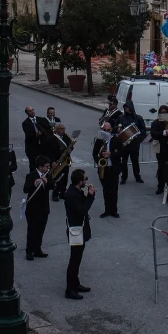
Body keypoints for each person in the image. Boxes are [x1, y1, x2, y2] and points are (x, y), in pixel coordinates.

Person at [63, 168, 96, 300]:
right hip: (76, 230)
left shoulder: (76, 191)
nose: (86, 181)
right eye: (85, 179)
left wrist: (88, 195)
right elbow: (82, 209)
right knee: (74, 260)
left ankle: (75, 284)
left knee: (77, 258)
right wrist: (90, 196)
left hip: (79, 228)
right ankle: (70, 289)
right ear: (79, 181)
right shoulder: (72, 194)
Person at [22, 156, 52, 260]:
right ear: (40, 167)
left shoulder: (48, 175)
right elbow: (25, 189)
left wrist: (46, 183)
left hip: (44, 208)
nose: (48, 168)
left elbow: (53, 186)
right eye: (46, 166)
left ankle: (37, 249)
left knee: (40, 230)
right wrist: (34, 184)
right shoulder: (31, 175)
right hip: (33, 209)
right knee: (32, 231)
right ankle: (29, 251)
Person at [42, 122, 73, 202]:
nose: (63, 130)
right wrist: (52, 161)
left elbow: (71, 145)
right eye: (61, 129)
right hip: (56, 161)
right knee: (57, 178)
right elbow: (47, 152)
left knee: (65, 178)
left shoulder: (66, 137)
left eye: (64, 128)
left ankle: (62, 193)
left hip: (65, 160)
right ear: (56, 130)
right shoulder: (51, 138)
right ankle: (55, 194)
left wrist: (70, 150)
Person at [118, 101, 147, 184]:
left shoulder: (138, 118)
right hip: (124, 143)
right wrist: (118, 129)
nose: (126, 109)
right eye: (125, 107)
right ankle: (124, 177)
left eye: (127, 107)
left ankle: (137, 176)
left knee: (135, 161)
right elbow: (115, 127)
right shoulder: (121, 117)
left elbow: (143, 130)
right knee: (124, 161)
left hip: (134, 143)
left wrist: (136, 135)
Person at [94, 125, 119, 218]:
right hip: (103, 169)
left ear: (111, 130)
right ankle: (107, 210)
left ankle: (114, 211)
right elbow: (94, 153)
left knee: (114, 191)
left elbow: (121, 152)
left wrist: (111, 154)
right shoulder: (99, 140)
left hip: (113, 169)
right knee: (106, 190)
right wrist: (99, 162)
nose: (106, 131)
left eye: (108, 130)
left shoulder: (116, 140)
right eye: (104, 130)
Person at [150, 105, 168, 194]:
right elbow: (153, 134)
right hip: (159, 147)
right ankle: (160, 186)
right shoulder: (156, 122)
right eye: (162, 112)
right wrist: (164, 132)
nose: (163, 114)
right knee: (161, 168)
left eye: (165, 112)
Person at [21, 106, 43, 172]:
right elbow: (28, 134)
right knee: (33, 165)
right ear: (27, 113)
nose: (32, 111)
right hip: (32, 148)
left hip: (41, 147)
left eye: (32, 109)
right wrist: (36, 134)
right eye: (30, 111)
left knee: (42, 164)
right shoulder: (25, 123)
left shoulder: (40, 119)